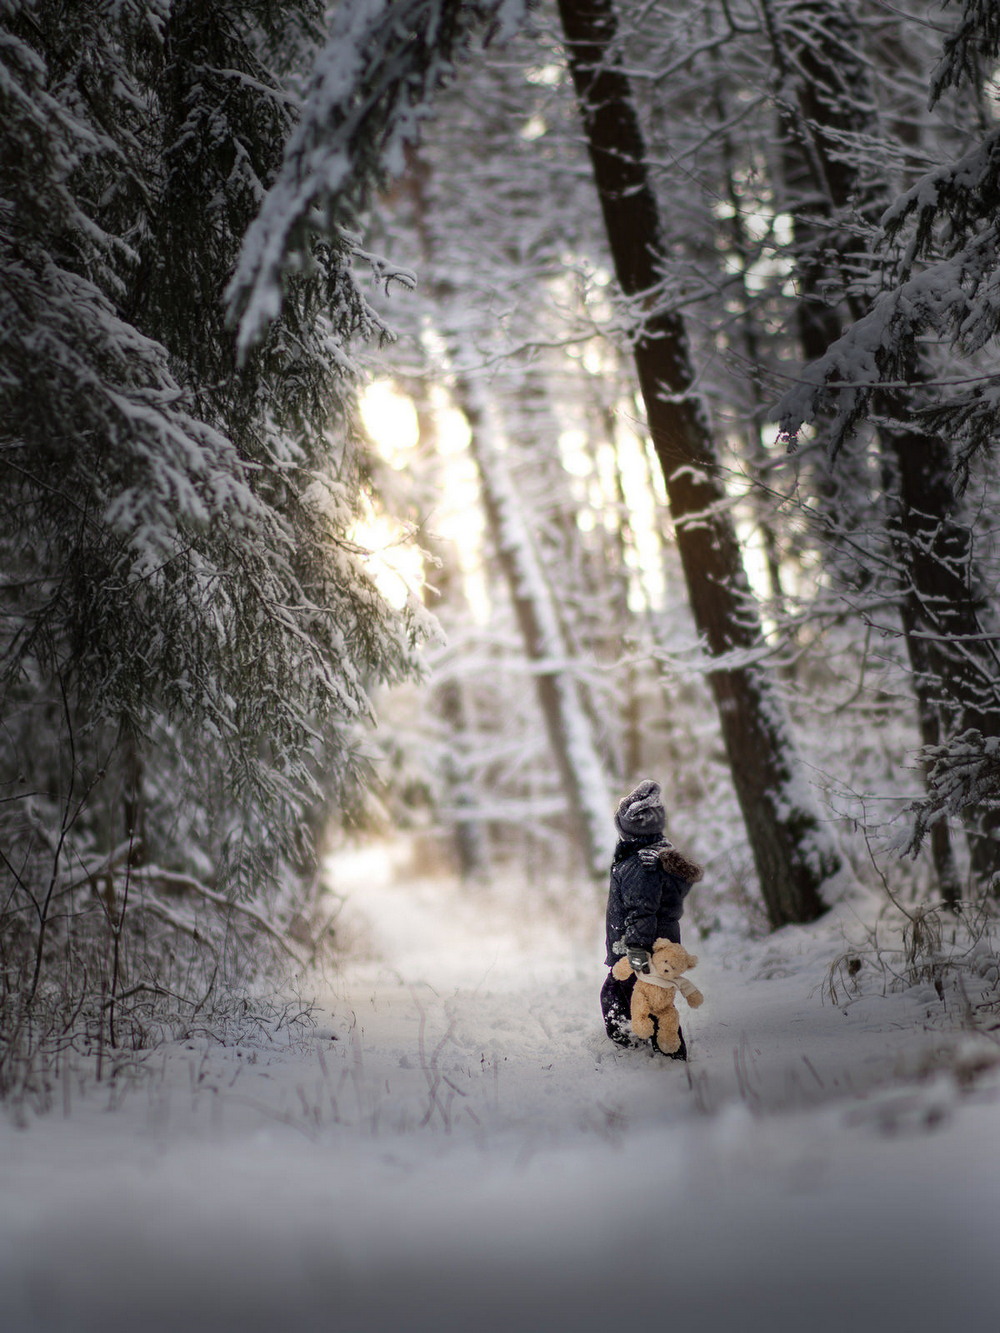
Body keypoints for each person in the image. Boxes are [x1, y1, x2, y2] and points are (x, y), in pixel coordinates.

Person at [601, 779, 702, 1059]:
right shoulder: (656, 855)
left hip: (643, 947)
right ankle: (643, 1044)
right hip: (655, 943)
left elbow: (642, 910)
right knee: (644, 997)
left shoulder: (640, 865)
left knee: (638, 998)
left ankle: (659, 1053)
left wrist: (636, 950)